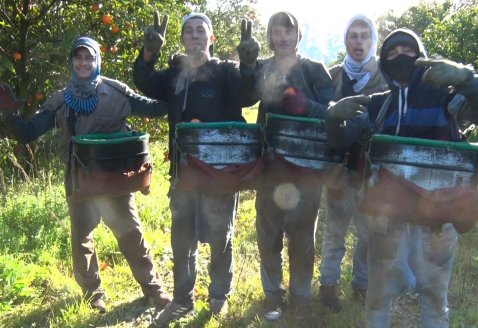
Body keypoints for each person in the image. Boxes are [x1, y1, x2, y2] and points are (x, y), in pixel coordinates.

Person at [324, 28, 478, 327]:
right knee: (378, 295)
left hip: (438, 223)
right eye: (391, 53)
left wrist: (468, 80)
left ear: (421, 57)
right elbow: (340, 139)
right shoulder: (378, 104)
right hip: (389, 220)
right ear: (384, 63)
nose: (400, 57)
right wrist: (334, 118)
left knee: (435, 297)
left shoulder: (448, 99)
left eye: (408, 51)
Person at [0, 36, 172, 313]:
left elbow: (158, 108)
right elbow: (28, 133)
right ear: (72, 62)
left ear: (97, 61)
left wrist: (169, 73)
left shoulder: (117, 93)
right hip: (79, 181)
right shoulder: (61, 101)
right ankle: (93, 296)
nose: (83, 63)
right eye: (78, 58)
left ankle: (153, 289)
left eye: (89, 57)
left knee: (131, 234)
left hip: (115, 180)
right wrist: (9, 113)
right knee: (82, 240)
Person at [133, 12, 258, 327]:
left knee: (220, 235)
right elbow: (144, 81)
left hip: (220, 173)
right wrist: (149, 52)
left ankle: (219, 297)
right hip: (183, 173)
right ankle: (181, 301)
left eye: (201, 31)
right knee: (182, 238)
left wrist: (249, 64)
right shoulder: (176, 74)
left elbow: (248, 94)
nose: (194, 36)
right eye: (188, 31)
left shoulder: (226, 72)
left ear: (211, 39)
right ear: (181, 40)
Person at [237, 11, 336, 320]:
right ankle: (272, 296)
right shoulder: (264, 68)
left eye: (287, 31)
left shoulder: (315, 70)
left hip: (307, 167)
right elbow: (244, 97)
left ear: (298, 36)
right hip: (270, 166)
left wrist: (303, 105)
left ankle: (301, 297)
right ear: (269, 37)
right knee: (268, 232)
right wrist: (248, 65)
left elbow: (334, 113)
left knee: (303, 235)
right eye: (276, 32)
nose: (282, 37)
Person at [318, 14, 387, 312]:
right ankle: (328, 286)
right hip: (337, 168)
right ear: (345, 40)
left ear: (373, 40)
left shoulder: (385, 75)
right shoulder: (333, 75)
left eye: (364, 36)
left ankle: (362, 285)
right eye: (353, 36)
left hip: (373, 170)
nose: (358, 42)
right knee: (335, 230)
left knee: (369, 233)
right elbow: (322, 117)